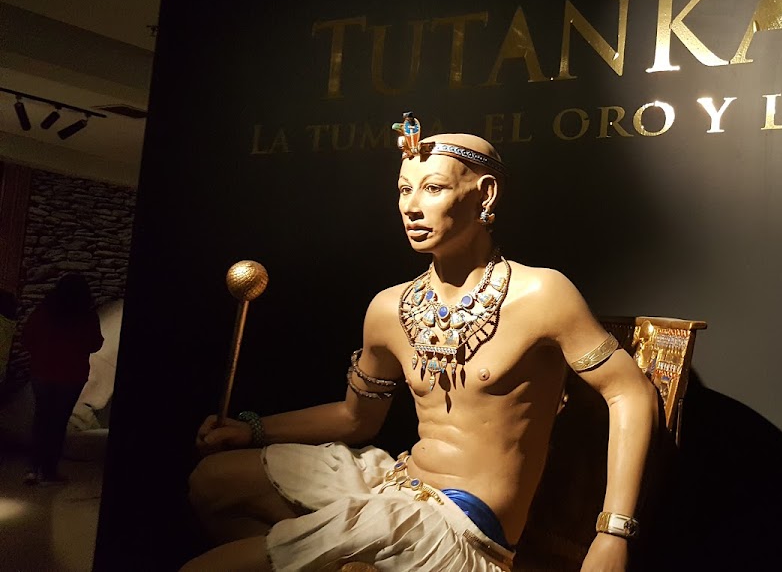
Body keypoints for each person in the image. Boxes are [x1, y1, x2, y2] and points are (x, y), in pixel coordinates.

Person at [184, 116, 659, 571]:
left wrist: (613, 532)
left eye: (432, 188)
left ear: (485, 194)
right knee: (214, 481)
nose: (411, 206)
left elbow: (630, 392)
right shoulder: (390, 307)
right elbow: (356, 418)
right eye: (403, 189)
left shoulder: (541, 295)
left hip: (460, 527)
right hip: (397, 483)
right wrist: (251, 430)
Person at [21, 274, 104, 485]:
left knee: (41, 420)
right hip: (71, 376)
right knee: (58, 424)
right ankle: (48, 471)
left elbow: (28, 337)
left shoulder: (45, 311)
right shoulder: (86, 316)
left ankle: (33, 468)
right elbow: (95, 344)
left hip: (42, 372)